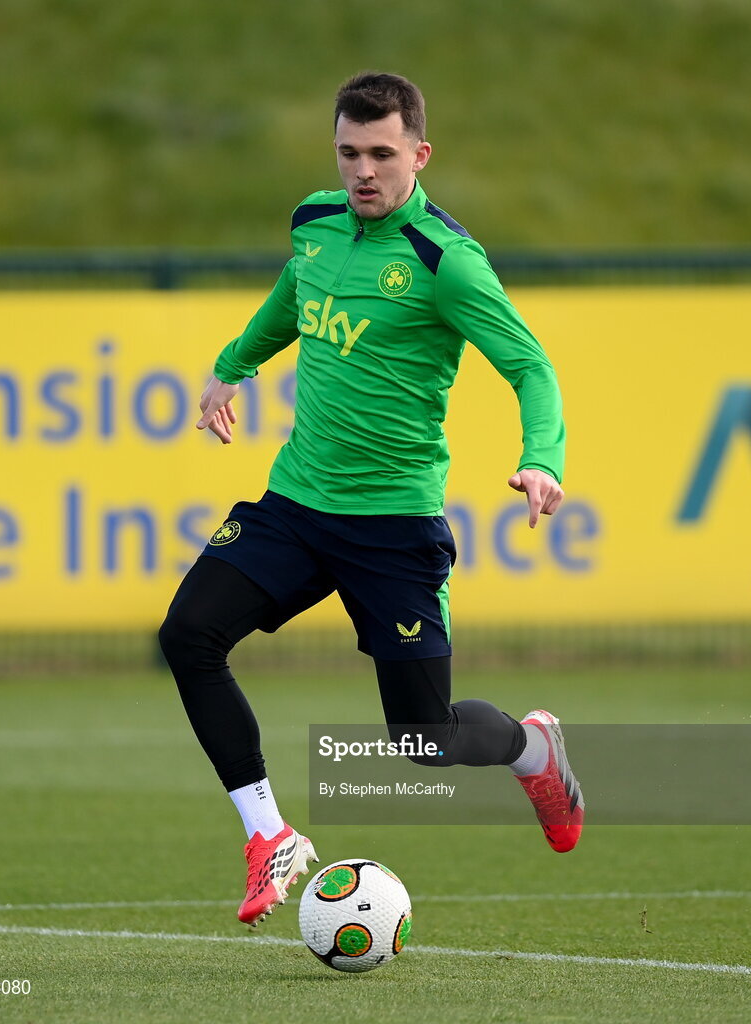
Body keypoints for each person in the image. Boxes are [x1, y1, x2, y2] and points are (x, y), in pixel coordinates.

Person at [159, 71, 584, 928]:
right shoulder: (315, 222)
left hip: (392, 527)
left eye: (382, 154)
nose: (363, 171)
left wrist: (541, 460)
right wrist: (233, 365)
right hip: (296, 505)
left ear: (419, 155)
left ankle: (531, 746)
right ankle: (269, 833)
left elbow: (530, 367)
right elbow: (293, 299)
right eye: (349, 152)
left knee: (424, 740)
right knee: (189, 634)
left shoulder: (446, 261)